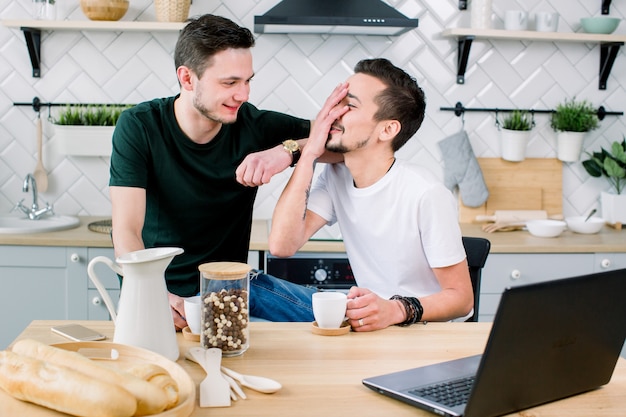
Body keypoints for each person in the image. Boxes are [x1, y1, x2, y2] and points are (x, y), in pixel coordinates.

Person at [109, 14, 334, 330]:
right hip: (154, 300)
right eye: (230, 83)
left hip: (225, 300)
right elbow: (126, 231)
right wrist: (154, 296)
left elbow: (343, 142)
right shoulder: (140, 126)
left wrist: (287, 151)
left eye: (247, 81)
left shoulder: (254, 125)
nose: (243, 95)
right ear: (187, 78)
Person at [251, 58, 473, 331]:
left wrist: (395, 309)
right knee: (250, 286)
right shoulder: (337, 176)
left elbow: (462, 300)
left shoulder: (425, 194)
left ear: (388, 129)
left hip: (420, 329)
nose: (333, 113)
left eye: (350, 105)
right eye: (338, 102)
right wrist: (307, 152)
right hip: (367, 320)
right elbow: (282, 245)